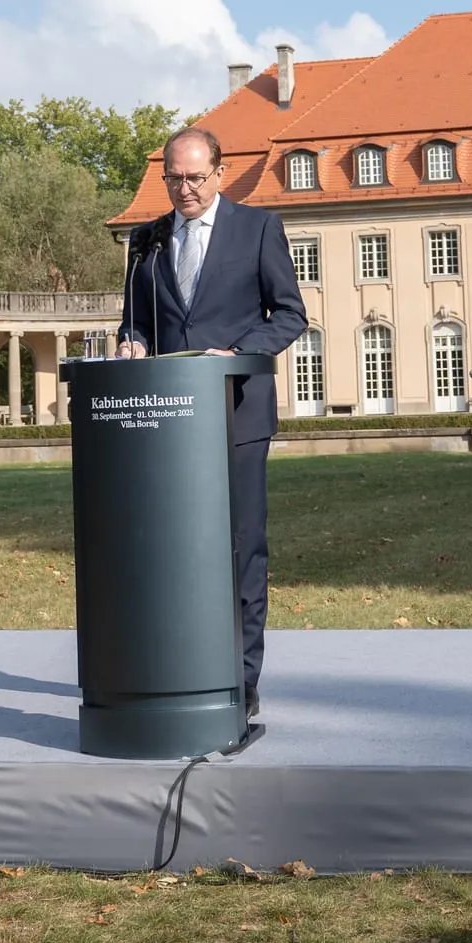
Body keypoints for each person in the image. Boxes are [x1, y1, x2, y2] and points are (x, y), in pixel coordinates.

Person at [116, 125, 307, 721]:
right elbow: (135, 319)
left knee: (240, 549)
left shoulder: (257, 228)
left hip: (238, 415)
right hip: (166, 422)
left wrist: (238, 352)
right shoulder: (146, 239)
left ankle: (241, 678)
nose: (184, 189)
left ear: (219, 174)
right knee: (171, 549)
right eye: (174, 177)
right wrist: (132, 343)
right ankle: (179, 666)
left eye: (196, 177)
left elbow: (290, 315)